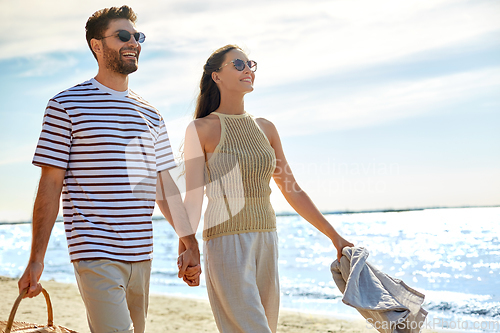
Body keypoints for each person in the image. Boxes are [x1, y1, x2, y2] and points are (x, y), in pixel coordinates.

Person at [18, 6, 200, 333]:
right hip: (94, 252)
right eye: (123, 36)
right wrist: (36, 258)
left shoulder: (151, 114)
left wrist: (189, 240)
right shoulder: (65, 105)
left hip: (142, 254)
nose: (134, 42)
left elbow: (163, 186)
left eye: (137, 36)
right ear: (97, 46)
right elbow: (50, 185)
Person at [181, 44, 354, 333]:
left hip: (267, 239)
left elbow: (291, 188)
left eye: (250, 64)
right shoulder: (200, 129)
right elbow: (193, 197)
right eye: (238, 65)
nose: (248, 70)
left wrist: (335, 237)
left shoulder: (266, 129)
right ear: (216, 76)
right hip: (225, 244)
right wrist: (188, 247)